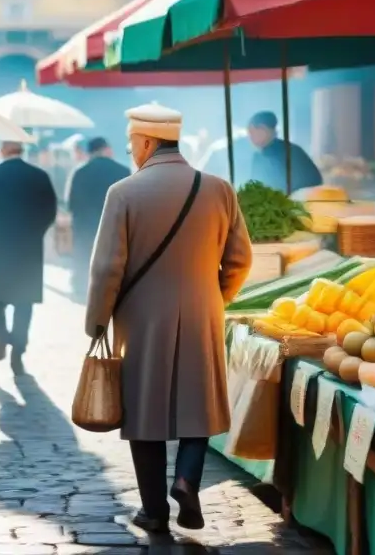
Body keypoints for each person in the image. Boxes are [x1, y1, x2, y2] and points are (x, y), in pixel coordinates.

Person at [85, 103, 253, 533]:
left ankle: (154, 509)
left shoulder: (122, 193)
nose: (131, 153)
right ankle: (186, 480)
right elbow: (240, 259)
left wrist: (97, 321)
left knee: (145, 410)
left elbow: (107, 268)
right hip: (203, 312)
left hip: (140, 319)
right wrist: (216, 297)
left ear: (145, 143)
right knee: (199, 401)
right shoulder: (218, 189)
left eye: (131, 146)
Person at [0, 140, 58, 374]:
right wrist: (37, 232)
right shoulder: (39, 176)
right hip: (28, 248)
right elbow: (50, 210)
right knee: (24, 302)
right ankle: (18, 348)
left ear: (3, 149)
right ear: (21, 150)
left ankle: (2, 336)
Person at [67, 136, 130, 301]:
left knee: (86, 259)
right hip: (114, 226)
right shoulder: (122, 171)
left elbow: (72, 204)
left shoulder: (79, 172)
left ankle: (82, 290)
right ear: (107, 149)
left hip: (85, 227)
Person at [247, 110, 322, 193]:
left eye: (252, 131)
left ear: (263, 129)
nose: (250, 137)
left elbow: (313, 182)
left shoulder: (292, 153)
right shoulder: (258, 156)